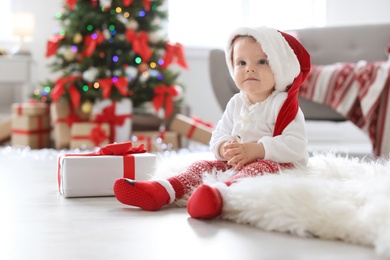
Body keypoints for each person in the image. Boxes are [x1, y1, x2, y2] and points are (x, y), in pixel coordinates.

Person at [113, 26, 311, 219]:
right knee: (201, 166)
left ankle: (218, 197)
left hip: (276, 164)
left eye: (261, 61)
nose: (249, 68)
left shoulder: (283, 104)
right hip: (237, 161)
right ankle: (163, 189)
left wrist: (258, 150)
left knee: (256, 171)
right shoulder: (236, 102)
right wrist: (225, 147)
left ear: (279, 68)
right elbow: (219, 134)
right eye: (241, 63)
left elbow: (296, 144)